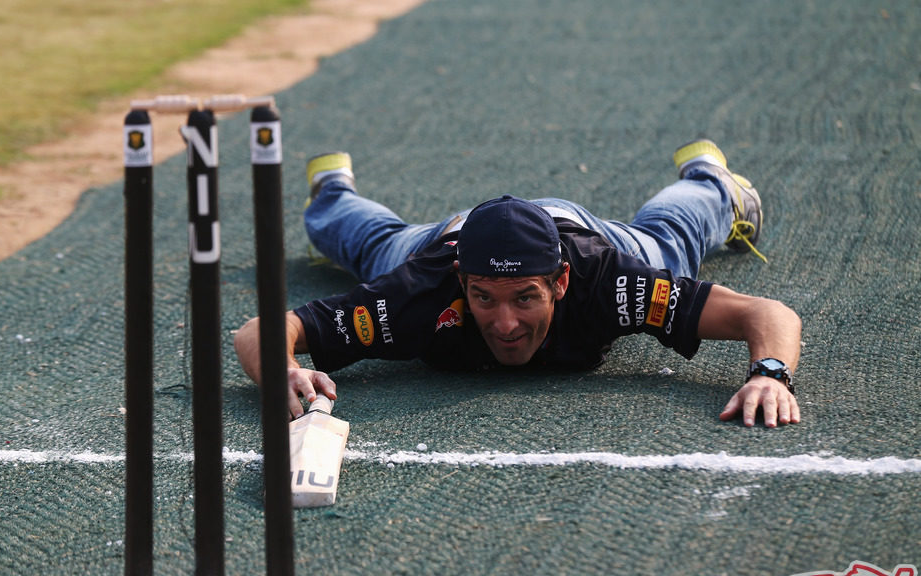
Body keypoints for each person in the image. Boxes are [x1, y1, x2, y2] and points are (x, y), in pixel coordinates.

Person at [234, 139, 802, 428]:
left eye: (525, 298)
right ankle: (331, 189)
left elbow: (767, 314)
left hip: (578, 232)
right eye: (483, 298)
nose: (504, 323)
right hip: (452, 238)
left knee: (669, 240)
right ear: (461, 282)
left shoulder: (608, 281)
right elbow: (259, 331)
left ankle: (711, 179)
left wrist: (771, 376)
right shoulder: (422, 292)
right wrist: (282, 372)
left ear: (559, 283)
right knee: (379, 248)